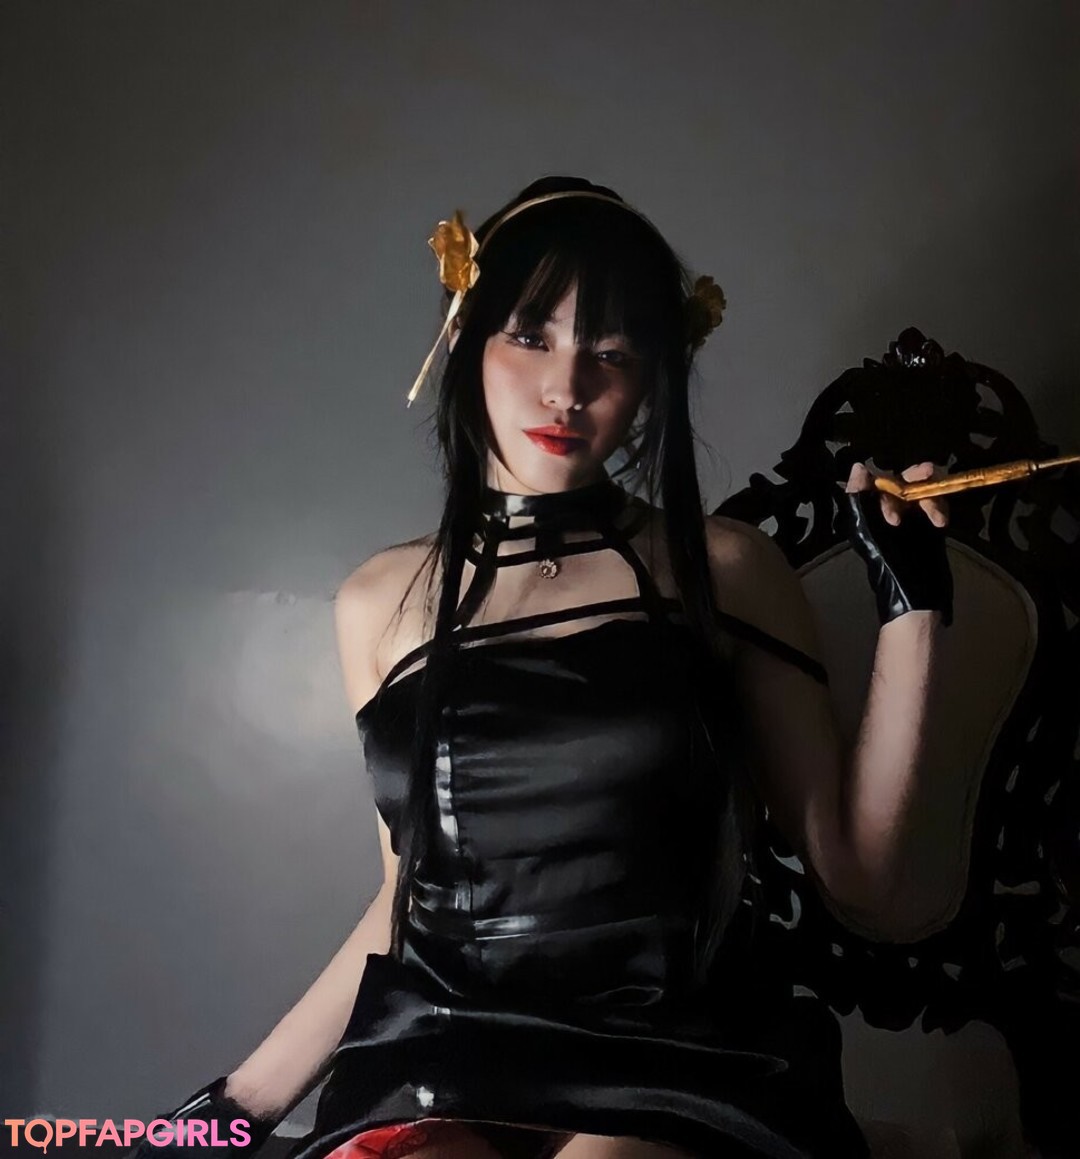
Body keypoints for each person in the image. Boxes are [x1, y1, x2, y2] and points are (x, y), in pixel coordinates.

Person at [128, 177, 952, 1159]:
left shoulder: (725, 568)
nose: (568, 387)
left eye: (612, 351)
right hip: (447, 1051)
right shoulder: (378, 603)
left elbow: (861, 876)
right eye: (531, 336)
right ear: (463, 334)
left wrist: (914, 608)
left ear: (653, 376)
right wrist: (235, 1106)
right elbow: (408, 899)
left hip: (679, 1059)